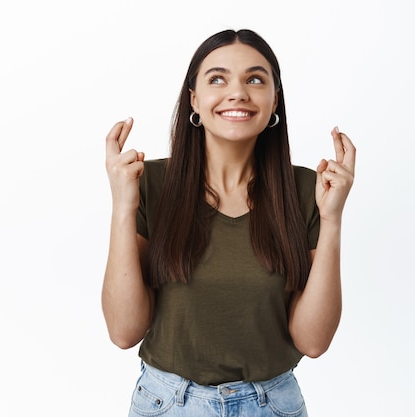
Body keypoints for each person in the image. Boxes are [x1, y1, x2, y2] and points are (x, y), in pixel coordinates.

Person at [102, 29, 355, 417]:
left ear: (275, 102)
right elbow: (124, 332)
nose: (237, 92)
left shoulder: (307, 189)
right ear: (194, 100)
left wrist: (332, 219)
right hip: (168, 404)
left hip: (273, 405)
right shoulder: (147, 183)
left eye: (255, 79)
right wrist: (123, 206)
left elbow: (314, 342)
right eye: (217, 78)